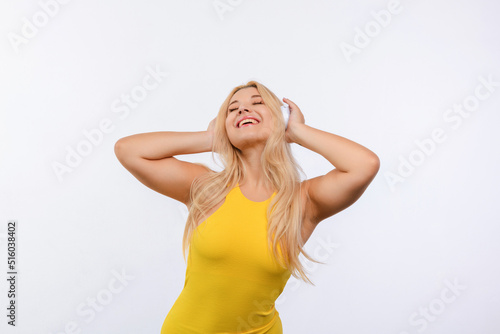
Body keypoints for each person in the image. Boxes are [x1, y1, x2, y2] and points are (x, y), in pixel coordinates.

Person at [114, 81, 380, 333]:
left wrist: (297, 131)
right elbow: (128, 149)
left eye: (258, 102)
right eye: (232, 109)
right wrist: (210, 138)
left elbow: (364, 165)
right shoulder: (205, 188)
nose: (242, 109)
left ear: (281, 118)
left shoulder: (303, 201)